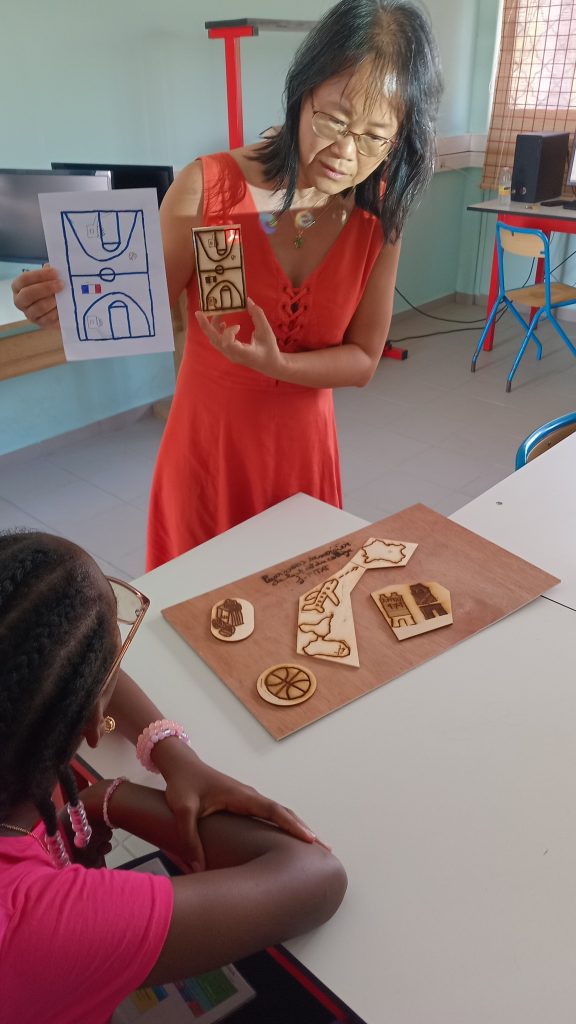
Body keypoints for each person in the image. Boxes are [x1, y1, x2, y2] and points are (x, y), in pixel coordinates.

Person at [11, 0, 442, 570]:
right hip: (208, 454)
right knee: (197, 600)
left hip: (302, 458)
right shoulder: (208, 188)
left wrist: (279, 366)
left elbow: (363, 360)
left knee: (296, 604)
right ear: (302, 94)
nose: (345, 152)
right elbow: (141, 308)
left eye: (373, 137)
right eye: (334, 121)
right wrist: (67, 306)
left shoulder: (378, 218)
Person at [0, 529, 347, 1023]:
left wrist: (171, 750)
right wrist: (112, 798)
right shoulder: (37, 922)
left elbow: (57, 666)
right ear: (94, 723)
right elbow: (316, 877)